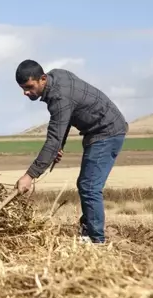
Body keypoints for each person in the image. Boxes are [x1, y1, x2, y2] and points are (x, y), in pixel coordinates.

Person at [14, 60, 128, 244]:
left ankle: (96, 241)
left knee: (89, 186)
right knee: (86, 183)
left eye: (29, 87)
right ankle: (88, 231)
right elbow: (65, 120)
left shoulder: (59, 98)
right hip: (97, 131)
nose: (26, 92)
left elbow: (53, 137)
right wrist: (59, 146)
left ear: (43, 79)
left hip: (107, 131)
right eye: (22, 88)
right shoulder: (57, 76)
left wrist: (30, 176)